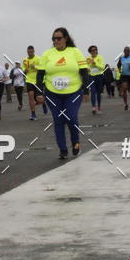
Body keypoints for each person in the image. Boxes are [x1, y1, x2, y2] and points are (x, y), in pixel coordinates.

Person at [36, 27, 89, 160]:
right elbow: (40, 74)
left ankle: (76, 143)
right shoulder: (47, 54)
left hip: (73, 92)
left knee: (71, 117)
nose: (56, 41)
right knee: (58, 120)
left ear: (65, 38)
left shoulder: (75, 52)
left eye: (59, 38)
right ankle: (63, 149)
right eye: (54, 39)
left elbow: (84, 72)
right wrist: (39, 92)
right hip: (52, 94)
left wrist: (86, 90)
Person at [23, 46, 42, 120]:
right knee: (31, 97)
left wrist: (35, 66)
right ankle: (33, 114)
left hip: (37, 80)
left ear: (34, 51)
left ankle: (43, 103)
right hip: (29, 80)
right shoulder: (25, 60)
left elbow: (42, 68)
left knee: (39, 99)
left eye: (31, 52)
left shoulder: (38, 59)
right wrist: (25, 70)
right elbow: (23, 71)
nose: (30, 53)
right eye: (28, 52)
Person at [86, 45, 106, 115]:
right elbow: (86, 66)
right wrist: (87, 68)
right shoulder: (88, 58)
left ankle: (99, 106)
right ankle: (93, 107)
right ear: (90, 52)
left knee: (98, 93)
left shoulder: (100, 57)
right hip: (91, 76)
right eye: (92, 50)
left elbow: (102, 67)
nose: (94, 51)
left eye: (95, 50)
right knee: (93, 91)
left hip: (99, 76)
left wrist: (95, 63)